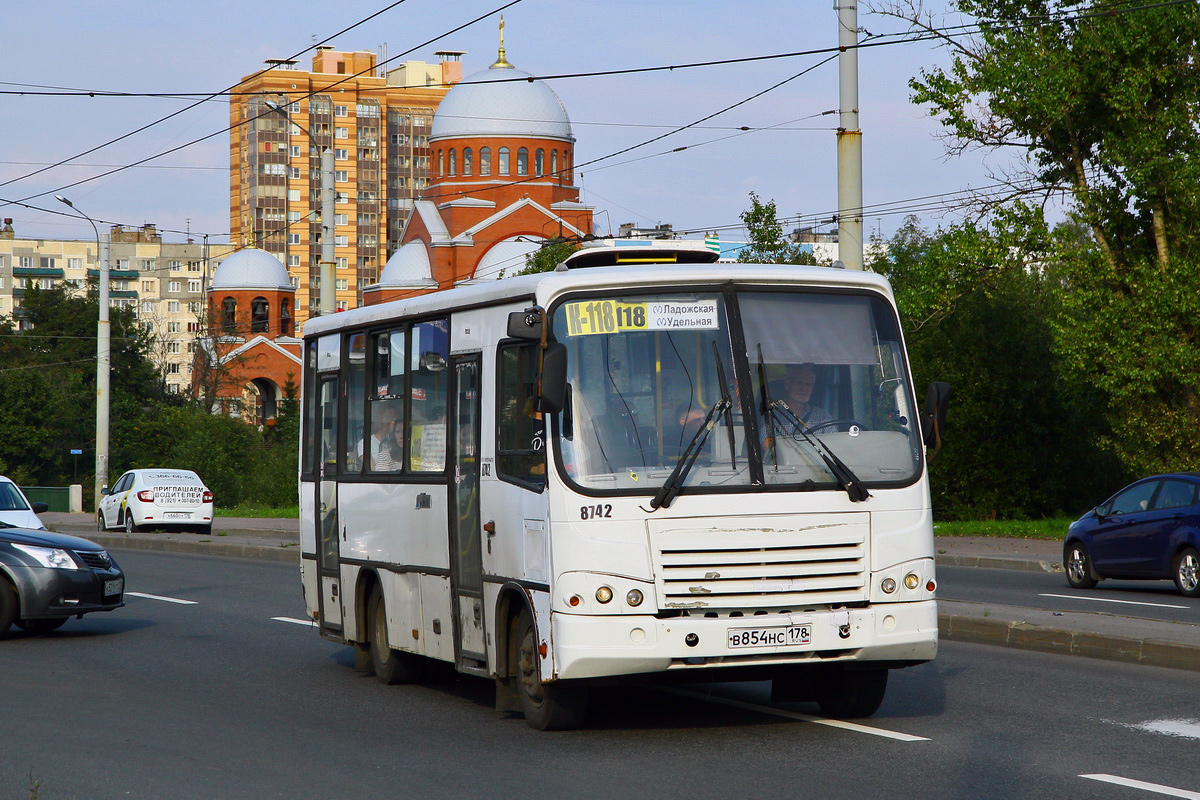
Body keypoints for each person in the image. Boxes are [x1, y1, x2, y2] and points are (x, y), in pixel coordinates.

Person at [772, 363, 834, 432]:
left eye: (808, 384)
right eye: (799, 383)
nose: (804, 388)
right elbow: (767, 441)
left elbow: (835, 441)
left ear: (812, 389)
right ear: (787, 385)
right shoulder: (773, 415)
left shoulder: (823, 417)